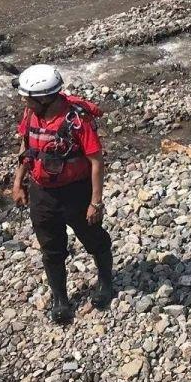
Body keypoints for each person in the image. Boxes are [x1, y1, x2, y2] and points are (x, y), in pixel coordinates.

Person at [11, 64, 114, 324]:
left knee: (94, 239)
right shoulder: (32, 113)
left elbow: (96, 162)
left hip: (76, 193)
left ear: (45, 98)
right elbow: (26, 148)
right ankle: (60, 299)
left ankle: (105, 283)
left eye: (28, 98)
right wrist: (18, 182)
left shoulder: (77, 121)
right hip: (42, 194)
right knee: (51, 248)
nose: (24, 102)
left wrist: (95, 202)